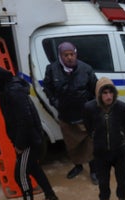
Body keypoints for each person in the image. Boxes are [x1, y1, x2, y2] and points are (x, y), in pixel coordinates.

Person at [0, 65, 59, 200]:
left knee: (20, 174)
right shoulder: (9, 89)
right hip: (29, 138)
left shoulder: (13, 92)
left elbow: (25, 120)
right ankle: (51, 196)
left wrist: (20, 144)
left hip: (28, 141)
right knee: (34, 169)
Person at [42, 42, 98, 182]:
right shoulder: (52, 69)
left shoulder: (86, 69)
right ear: (60, 56)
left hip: (84, 116)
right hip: (66, 115)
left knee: (89, 144)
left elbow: (95, 90)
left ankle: (93, 171)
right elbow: (48, 88)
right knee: (72, 145)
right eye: (66, 55)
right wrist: (55, 102)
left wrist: (90, 108)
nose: (69, 58)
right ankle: (78, 166)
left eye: (72, 54)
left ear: (76, 53)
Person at [83, 77, 125, 200]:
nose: (108, 96)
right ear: (99, 94)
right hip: (100, 152)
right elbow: (88, 126)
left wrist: (121, 135)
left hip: (119, 151)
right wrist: (96, 137)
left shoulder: (122, 107)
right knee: (103, 181)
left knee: (122, 179)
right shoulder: (89, 108)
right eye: (104, 93)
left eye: (111, 92)